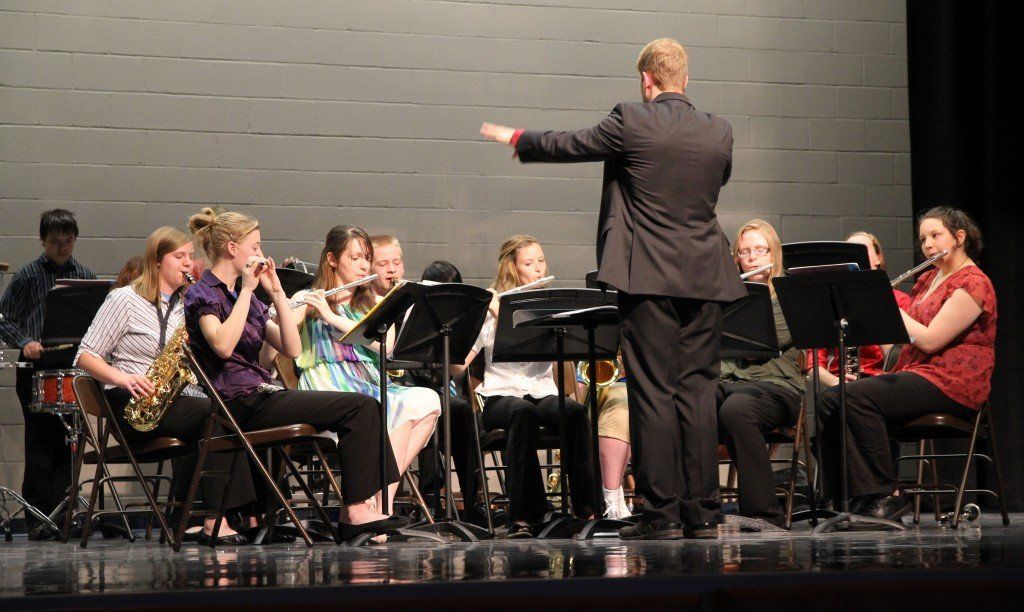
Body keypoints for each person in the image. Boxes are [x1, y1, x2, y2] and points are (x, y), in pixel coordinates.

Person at [480, 38, 746, 540]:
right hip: (708, 276)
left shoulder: (632, 118)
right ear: (685, 80)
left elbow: (572, 143)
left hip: (647, 276)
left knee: (652, 392)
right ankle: (703, 511)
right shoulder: (720, 132)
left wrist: (517, 136)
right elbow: (714, 183)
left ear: (647, 80)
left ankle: (663, 513)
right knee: (697, 391)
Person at [184, 208, 407, 540]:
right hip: (235, 402)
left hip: (260, 394)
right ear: (233, 248)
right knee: (359, 407)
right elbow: (222, 347)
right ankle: (356, 511)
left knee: (365, 405)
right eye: (255, 246)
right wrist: (247, 291)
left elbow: (289, 348)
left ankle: (362, 508)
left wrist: (275, 294)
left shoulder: (242, 295)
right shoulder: (203, 293)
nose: (261, 254)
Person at [75, 227, 256, 545]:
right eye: (179, 257)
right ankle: (216, 519)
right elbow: (85, 356)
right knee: (214, 415)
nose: (188, 263)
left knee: (230, 407)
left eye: (190, 256)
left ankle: (229, 515)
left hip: (175, 399)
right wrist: (124, 377)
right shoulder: (125, 299)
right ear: (157, 261)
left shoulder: (185, 305)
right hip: (133, 403)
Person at [817, 206, 996, 521]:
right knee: (832, 398)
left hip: (953, 382)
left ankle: (888, 494)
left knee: (857, 397)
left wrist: (887, 303)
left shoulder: (973, 283)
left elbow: (929, 340)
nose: (927, 245)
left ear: (959, 237)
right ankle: (847, 497)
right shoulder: (928, 279)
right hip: (920, 373)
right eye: (923, 238)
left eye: (935, 235)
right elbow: (902, 339)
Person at [291, 225, 440, 515]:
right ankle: (377, 508)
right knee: (394, 410)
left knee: (427, 401)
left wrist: (332, 318)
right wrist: (295, 309)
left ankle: (380, 502)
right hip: (328, 383)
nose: (364, 265)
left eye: (366, 258)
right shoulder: (307, 296)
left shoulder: (370, 300)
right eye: (356, 258)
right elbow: (283, 344)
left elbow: (387, 347)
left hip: (368, 379)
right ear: (332, 259)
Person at [454, 235, 597, 538]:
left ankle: (588, 508)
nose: (538, 269)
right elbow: (460, 364)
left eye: (541, 261)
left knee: (572, 411)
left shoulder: (548, 306)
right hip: (500, 397)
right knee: (521, 412)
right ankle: (525, 515)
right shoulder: (491, 307)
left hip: (541, 391)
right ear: (513, 269)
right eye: (529, 264)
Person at [0, 209, 96, 540]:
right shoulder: (28, 276)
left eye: (68, 240)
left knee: (68, 443)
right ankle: (38, 518)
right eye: (55, 241)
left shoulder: (84, 275)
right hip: (36, 370)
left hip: (71, 369)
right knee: (40, 443)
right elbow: (4, 319)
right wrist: (25, 341)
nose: (62, 247)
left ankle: (66, 512)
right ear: (42, 241)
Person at [716, 220, 804, 529]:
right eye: (745, 251)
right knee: (689, 400)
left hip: (777, 388)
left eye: (759, 249)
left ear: (774, 254)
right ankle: (695, 508)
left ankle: (763, 514)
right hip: (729, 385)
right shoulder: (724, 301)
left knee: (736, 409)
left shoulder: (788, 298)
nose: (752, 257)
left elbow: (764, 342)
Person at [807, 232, 912, 387]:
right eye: (849, 253)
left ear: (878, 258)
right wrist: (836, 382)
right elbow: (812, 364)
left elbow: (903, 359)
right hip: (842, 384)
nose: (855, 256)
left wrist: (874, 309)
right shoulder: (834, 301)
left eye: (861, 250)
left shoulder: (900, 300)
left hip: (886, 381)